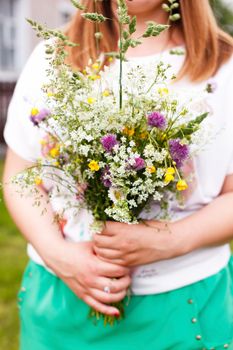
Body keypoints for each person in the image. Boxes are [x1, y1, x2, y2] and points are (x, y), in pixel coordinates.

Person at [3, 0, 233, 349]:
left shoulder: (223, 67)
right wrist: (60, 256)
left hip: (184, 306)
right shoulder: (53, 57)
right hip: (62, 302)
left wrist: (170, 240)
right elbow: (21, 176)